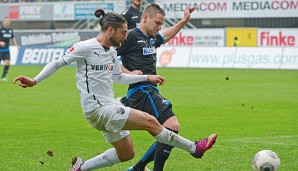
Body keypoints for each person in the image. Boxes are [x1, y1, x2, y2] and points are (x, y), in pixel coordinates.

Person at [13, 9, 217, 171]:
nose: (125, 36)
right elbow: (58, 63)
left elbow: (118, 76)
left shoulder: (111, 52)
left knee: (126, 154)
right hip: (97, 109)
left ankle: (81, 167)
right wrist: (35, 80)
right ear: (110, 30)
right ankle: (194, 148)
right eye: (123, 32)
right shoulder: (84, 47)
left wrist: (147, 77)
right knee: (151, 122)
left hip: (108, 106)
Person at [117, 4, 210, 171]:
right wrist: (128, 73)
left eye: (161, 24)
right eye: (157, 23)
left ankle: (138, 168)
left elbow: (166, 35)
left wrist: (183, 21)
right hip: (141, 91)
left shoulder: (152, 38)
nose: (159, 27)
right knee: (172, 126)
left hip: (150, 90)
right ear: (145, 18)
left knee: (167, 131)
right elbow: (109, 57)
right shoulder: (130, 36)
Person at [0, 17, 18, 82]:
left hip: (6, 50)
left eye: (8, 21)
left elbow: (12, 38)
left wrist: (16, 45)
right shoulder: (0, 29)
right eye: (5, 20)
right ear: (3, 22)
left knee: (8, 63)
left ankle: (3, 77)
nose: (7, 22)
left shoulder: (10, 30)